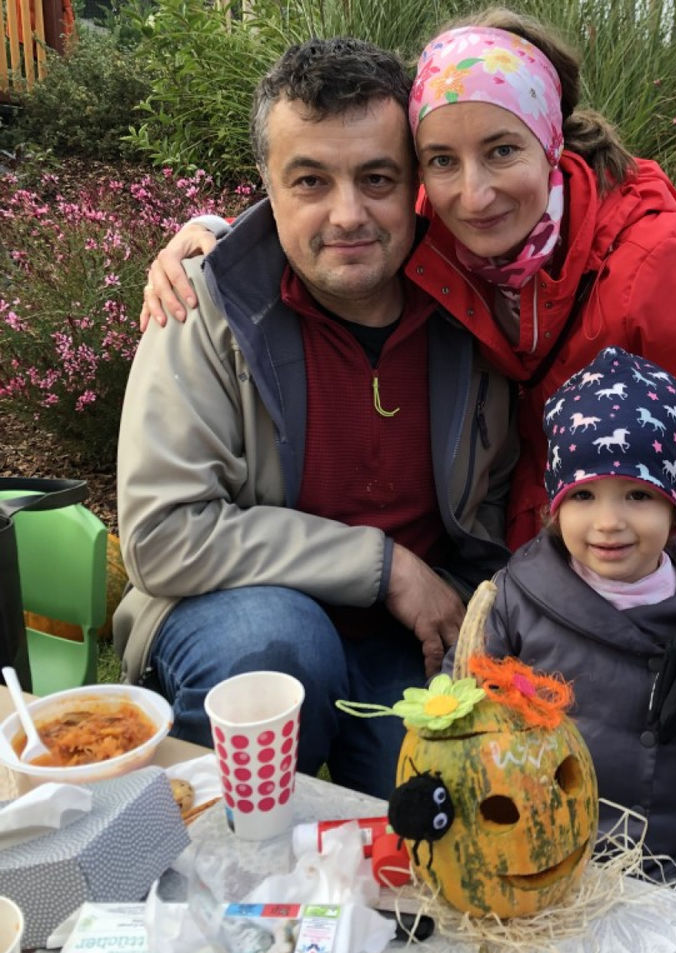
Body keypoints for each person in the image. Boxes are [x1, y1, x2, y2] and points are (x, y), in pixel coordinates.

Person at [141, 7, 676, 621]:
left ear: (550, 142)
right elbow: (342, 217)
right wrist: (221, 242)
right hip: (537, 561)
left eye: (503, 151)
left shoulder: (662, 261)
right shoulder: (441, 240)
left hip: (651, 563)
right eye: (444, 161)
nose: (474, 194)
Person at [114, 37, 516, 801]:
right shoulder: (202, 308)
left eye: (376, 178)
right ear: (267, 185)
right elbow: (163, 536)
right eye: (310, 180)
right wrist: (384, 566)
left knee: (434, 803)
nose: (347, 215)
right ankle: (224, 870)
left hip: (411, 639)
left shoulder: (472, 313)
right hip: (238, 620)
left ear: (416, 186)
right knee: (278, 650)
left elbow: (494, 500)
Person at [479, 345, 676, 925]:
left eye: (637, 494)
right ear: (554, 506)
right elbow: (468, 736)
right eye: (582, 495)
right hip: (538, 870)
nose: (608, 522)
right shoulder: (513, 601)